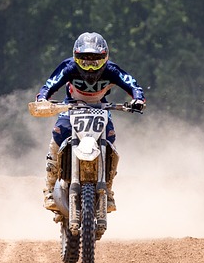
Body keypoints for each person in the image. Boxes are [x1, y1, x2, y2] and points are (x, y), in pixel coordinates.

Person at [35, 32, 146, 214]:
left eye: (96, 61)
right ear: (75, 57)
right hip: (71, 108)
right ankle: (49, 188)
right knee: (58, 133)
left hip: (101, 109)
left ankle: (108, 190)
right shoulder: (68, 67)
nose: (90, 66)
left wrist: (138, 99)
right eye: (84, 61)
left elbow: (132, 84)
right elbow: (50, 84)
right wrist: (42, 98)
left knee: (110, 140)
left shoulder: (112, 70)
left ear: (105, 58)